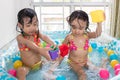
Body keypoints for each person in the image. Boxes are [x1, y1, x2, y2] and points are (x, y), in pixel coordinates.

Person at [58, 10, 104, 80]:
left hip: (85, 61)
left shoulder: (87, 35)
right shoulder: (69, 38)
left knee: (97, 70)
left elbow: (98, 34)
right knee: (82, 74)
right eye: (73, 27)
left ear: (86, 26)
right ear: (70, 25)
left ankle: (103, 63)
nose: (77, 31)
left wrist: (99, 23)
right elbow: (62, 52)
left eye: (81, 28)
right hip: (74, 63)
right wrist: (55, 65)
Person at [16, 8, 56, 80]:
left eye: (35, 24)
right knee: (20, 71)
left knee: (54, 60)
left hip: (40, 63)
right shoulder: (20, 38)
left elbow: (44, 37)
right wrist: (39, 49)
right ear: (20, 25)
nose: (32, 28)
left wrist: (52, 43)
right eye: (28, 25)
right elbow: (29, 43)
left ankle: (49, 73)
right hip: (28, 66)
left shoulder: (36, 33)